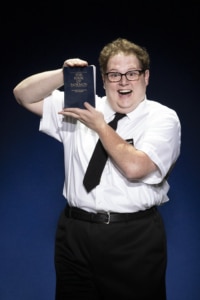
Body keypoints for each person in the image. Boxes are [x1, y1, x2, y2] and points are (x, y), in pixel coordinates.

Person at [13, 37, 181, 300]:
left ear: (146, 77)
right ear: (102, 80)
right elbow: (23, 95)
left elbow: (135, 167)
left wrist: (101, 127)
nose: (123, 82)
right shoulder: (81, 105)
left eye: (132, 73)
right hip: (74, 233)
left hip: (133, 238)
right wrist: (63, 75)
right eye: (114, 74)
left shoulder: (162, 118)